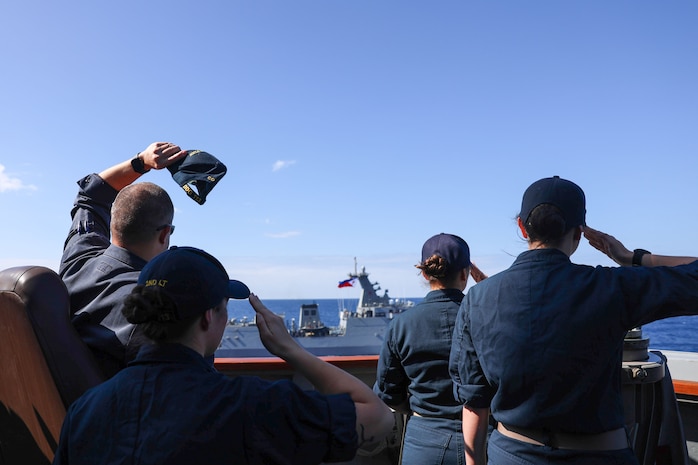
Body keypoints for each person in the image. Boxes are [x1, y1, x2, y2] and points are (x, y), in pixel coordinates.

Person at [52, 246, 395, 465]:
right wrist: (291, 349)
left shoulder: (85, 410)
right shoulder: (250, 404)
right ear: (208, 317)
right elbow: (378, 418)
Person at [449, 175, 698, 465]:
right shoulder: (610, 288)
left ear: (521, 227)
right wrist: (633, 258)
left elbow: (474, 401)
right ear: (579, 233)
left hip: (511, 454)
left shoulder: (477, 298)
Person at [59, 142, 187, 378]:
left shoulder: (77, 261)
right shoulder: (153, 309)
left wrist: (142, 161)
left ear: (113, 224)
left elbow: (91, 196)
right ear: (165, 234)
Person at [374, 233, 487, 465]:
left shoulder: (401, 324)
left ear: (425, 274)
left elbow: (387, 392)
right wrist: (487, 287)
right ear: (466, 273)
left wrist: (418, 407)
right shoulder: (486, 317)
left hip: (423, 439)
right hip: (483, 438)